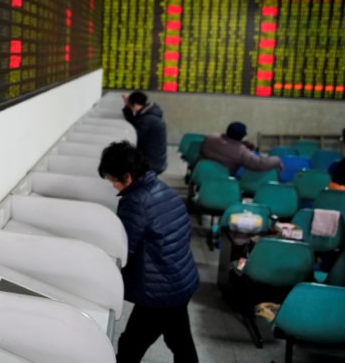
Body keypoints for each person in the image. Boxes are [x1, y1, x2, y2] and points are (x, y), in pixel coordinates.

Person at [98, 141, 199, 363]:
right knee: (179, 340)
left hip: (161, 291)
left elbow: (125, 250)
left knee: (130, 346)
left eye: (113, 180)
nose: (113, 186)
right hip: (181, 279)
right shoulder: (162, 189)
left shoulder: (135, 202)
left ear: (127, 176)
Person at [200, 121, 283, 176]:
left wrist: (239, 144)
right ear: (242, 137)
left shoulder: (209, 138)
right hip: (223, 181)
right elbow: (259, 163)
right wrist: (277, 159)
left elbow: (226, 145)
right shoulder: (241, 152)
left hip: (202, 176)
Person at [121, 91, 167, 174]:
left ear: (134, 105)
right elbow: (135, 122)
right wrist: (128, 106)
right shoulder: (149, 113)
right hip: (156, 160)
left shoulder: (147, 120)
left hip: (151, 164)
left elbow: (134, 136)